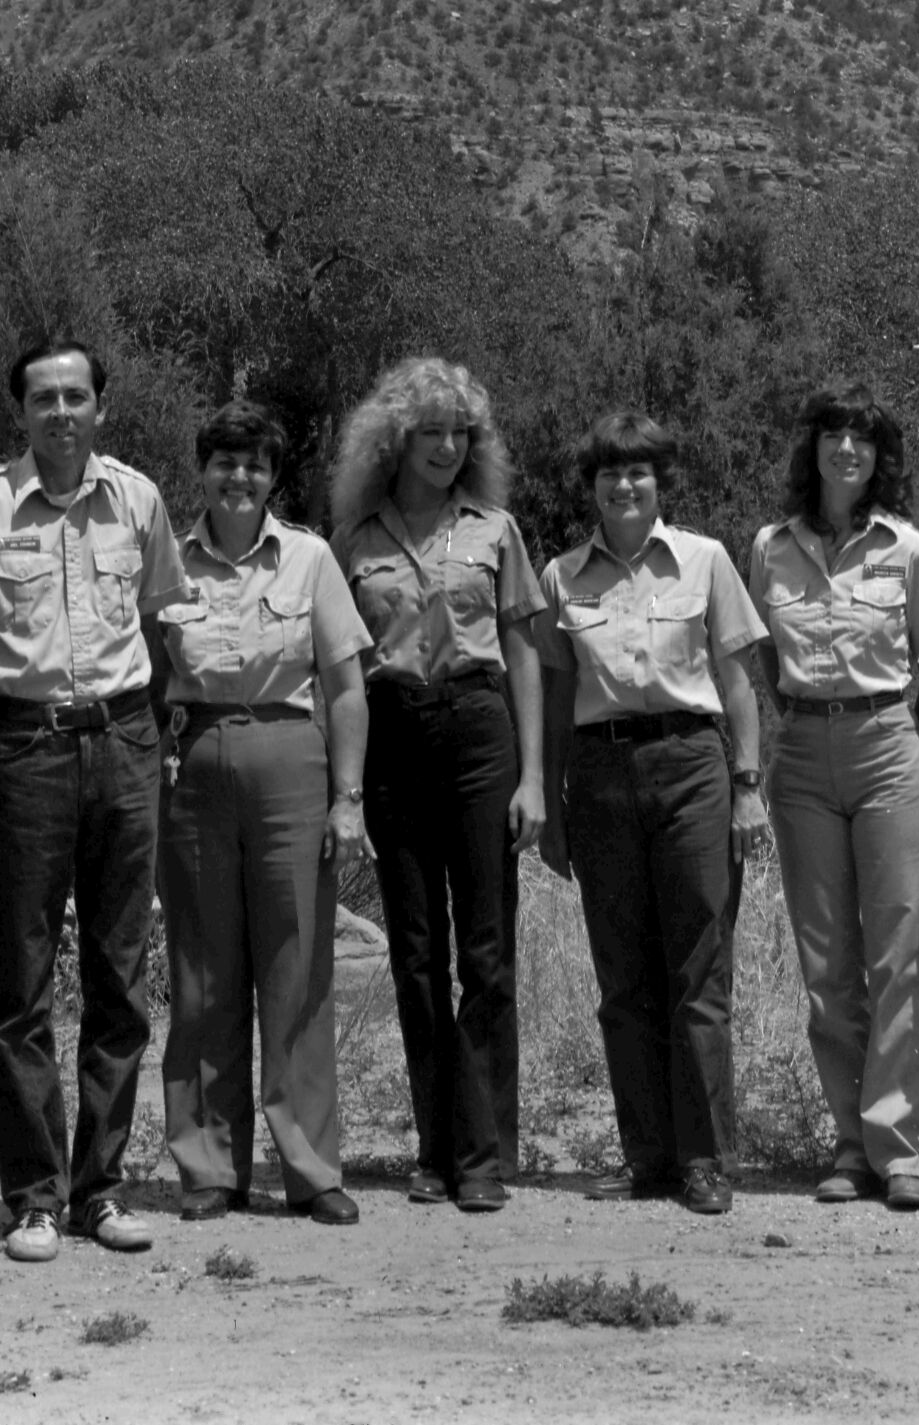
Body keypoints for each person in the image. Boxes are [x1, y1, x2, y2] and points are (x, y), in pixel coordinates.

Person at [0, 337, 185, 1264]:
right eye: (42, 397)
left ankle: (103, 1189)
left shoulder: (139, 498)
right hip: (24, 746)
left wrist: (140, 734)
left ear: (100, 407)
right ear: (20, 412)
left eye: (75, 395)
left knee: (121, 979)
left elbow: (159, 626)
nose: (60, 412)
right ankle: (35, 1197)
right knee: (23, 983)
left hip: (124, 742)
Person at [537, 412, 770, 1216]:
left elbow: (738, 680)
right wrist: (551, 804)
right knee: (622, 976)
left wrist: (746, 783)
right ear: (592, 488)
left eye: (637, 472)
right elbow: (557, 693)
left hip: (691, 765)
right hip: (599, 773)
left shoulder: (704, 560)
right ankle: (647, 1157)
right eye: (609, 474)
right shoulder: (560, 576)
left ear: (658, 482)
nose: (623, 486)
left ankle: (704, 1158)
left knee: (697, 969)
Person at [329, 355, 547, 1212]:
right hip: (394, 738)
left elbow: (524, 650)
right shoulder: (353, 541)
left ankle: (483, 1152)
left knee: (485, 953)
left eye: (462, 433)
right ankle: (432, 1148)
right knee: (416, 955)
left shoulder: (495, 529)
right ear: (394, 440)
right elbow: (339, 670)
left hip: (480, 733)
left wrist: (532, 776)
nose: (448, 446)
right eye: (431, 432)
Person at [155, 401, 374, 1227]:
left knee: (298, 968)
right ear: (201, 471)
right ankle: (209, 1164)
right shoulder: (167, 560)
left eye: (253, 464)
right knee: (202, 975)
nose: (237, 476)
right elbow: (144, 681)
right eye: (223, 461)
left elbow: (346, 684)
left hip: (292, 760)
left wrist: (347, 798)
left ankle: (310, 1167)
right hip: (197, 763)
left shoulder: (310, 557)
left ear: (273, 476)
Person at [747, 386, 919, 1213]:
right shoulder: (768, 546)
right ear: (814, 449)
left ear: (879, 457)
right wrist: (794, 721)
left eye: (862, 439)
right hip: (800, 752)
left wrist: (899, 736)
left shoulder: (910, 549)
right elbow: (762, 658)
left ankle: (896, 1146)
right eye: (834, 435)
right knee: (826, 962)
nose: (847, 451)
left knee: (895, 951)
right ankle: (848, 1144)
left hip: (888, 747)